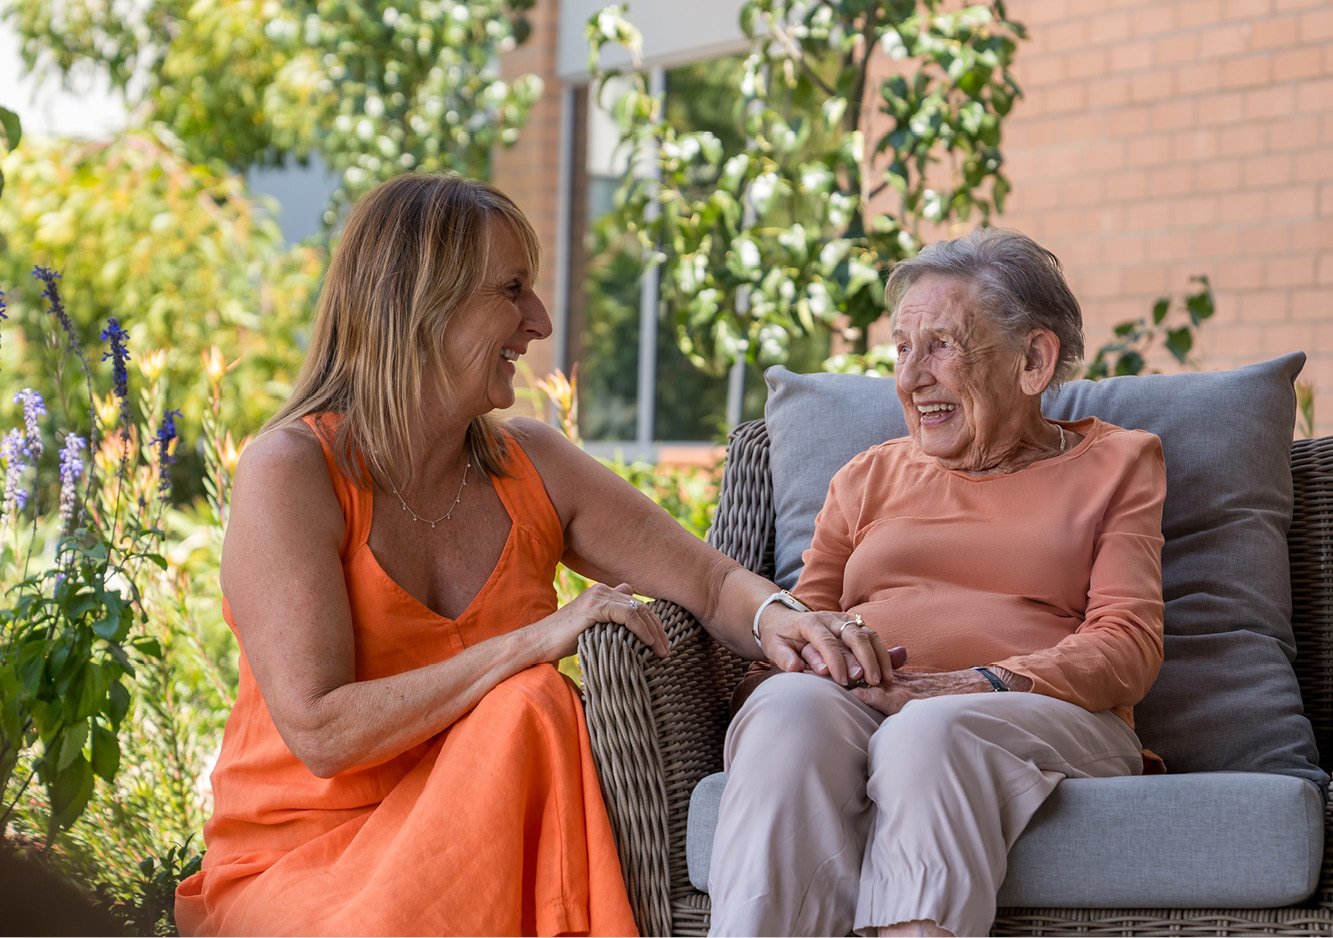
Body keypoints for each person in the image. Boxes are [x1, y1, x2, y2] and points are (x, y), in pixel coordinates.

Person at [174, 172, 888, 937]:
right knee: (529, 696)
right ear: (422, 304)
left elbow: (711, 585)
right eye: (512, 290)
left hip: (488, 853)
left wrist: (783, 618)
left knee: (530, 705)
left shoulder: (531, 465)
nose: (539, 322)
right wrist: (532, 643)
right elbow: (321, 732)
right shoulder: (292, 471)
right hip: (305, 866)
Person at [707, 228, 1167, 938]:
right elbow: (793, 632)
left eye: (941, 346)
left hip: (1042, 714)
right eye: (901, 349)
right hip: (867, 701)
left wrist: (978, 683)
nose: (909, 378)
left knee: (927, 730)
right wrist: (815, 660)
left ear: (1033, 361)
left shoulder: (1118, 465)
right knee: (787, 709)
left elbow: (1128, 644)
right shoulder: (865, 477)